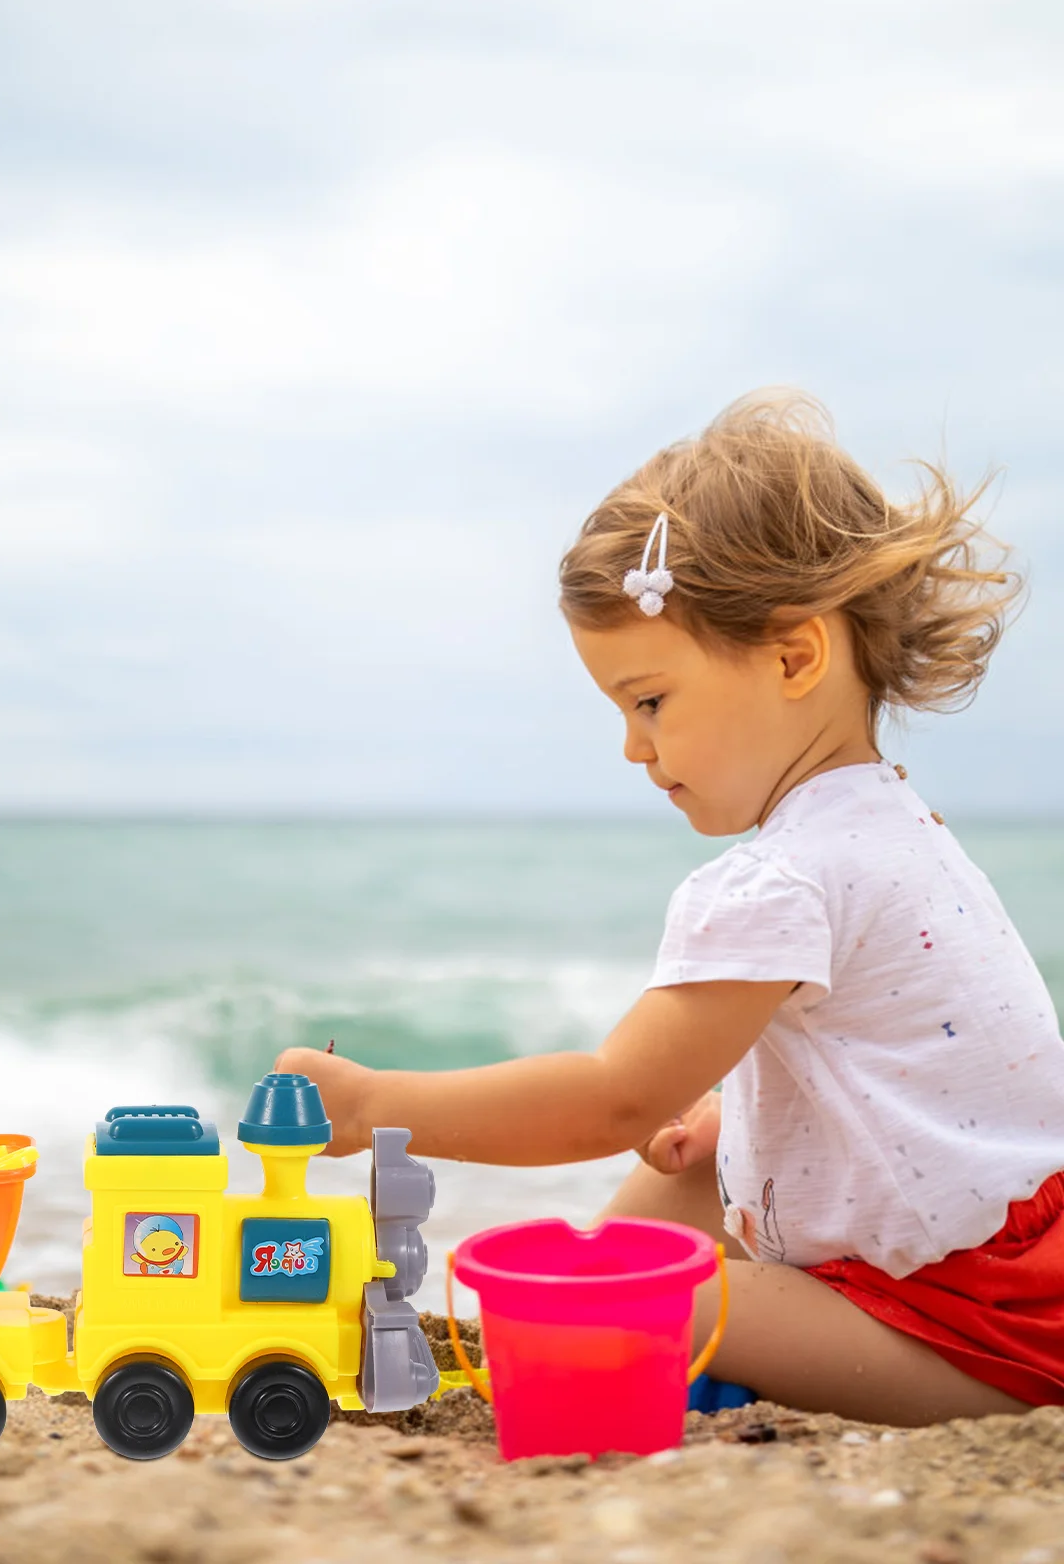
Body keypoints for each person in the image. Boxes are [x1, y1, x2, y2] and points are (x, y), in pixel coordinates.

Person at [276, 392, 1064, 1427]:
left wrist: (377, 1106)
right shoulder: (894, 824)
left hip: (977, 1331)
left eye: (649, 701)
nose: (633, 748)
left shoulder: (774, 882)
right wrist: (729, 1118)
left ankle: (664, 1341)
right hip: (1021, 1269)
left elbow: (609, 1103)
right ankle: (695, 1328)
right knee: (692, 1167)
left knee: (610, 1300)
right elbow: (911, 1079)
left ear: (793, 658)